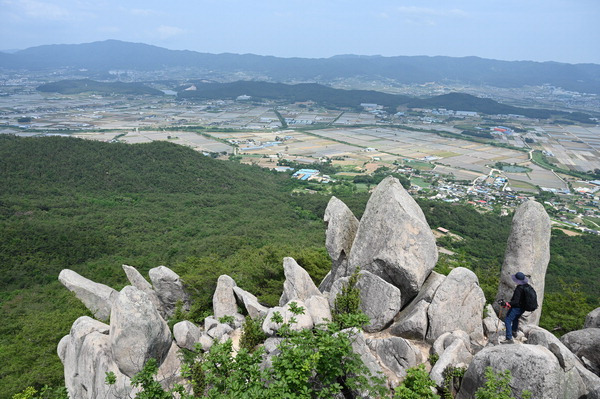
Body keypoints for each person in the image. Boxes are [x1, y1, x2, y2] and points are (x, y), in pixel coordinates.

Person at [501, 272, 530, 344]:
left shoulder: (519, 288)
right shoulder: (526, 287)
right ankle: (514, 331)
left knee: (507, 320)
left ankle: (509, 338)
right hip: (523, 308)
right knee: (516, 318)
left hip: (517, 307)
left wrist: (508, 303)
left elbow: (516, 301)